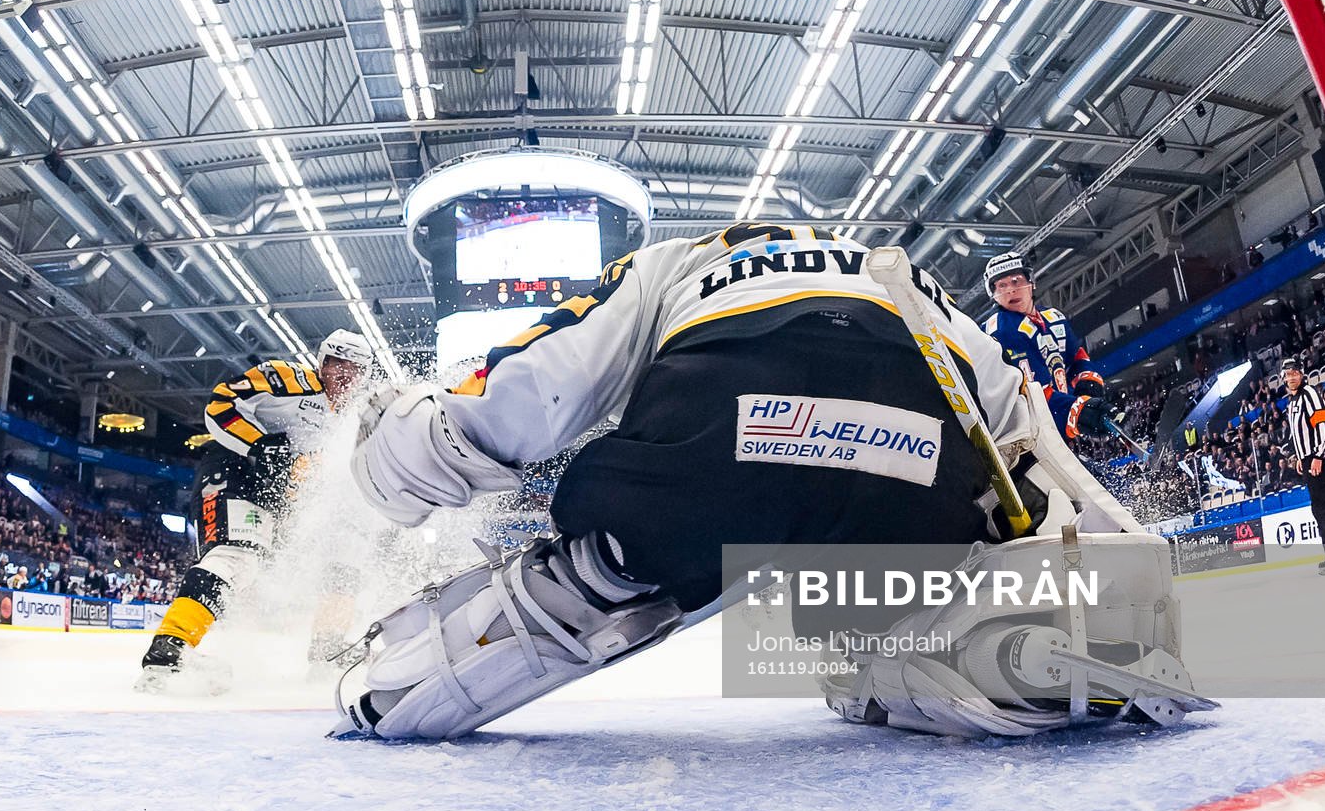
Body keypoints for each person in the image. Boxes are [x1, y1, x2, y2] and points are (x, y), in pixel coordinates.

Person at [341, 224, 1207, 741]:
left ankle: (605, 576)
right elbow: (1021, 432)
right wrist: (1095, 553)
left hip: (716, 450)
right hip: (912, 474)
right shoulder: (903, 275)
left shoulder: (677, 261)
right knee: (861, 618)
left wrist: (401, 459)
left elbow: (539, 386)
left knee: (641, 546)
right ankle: (937, 637)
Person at [136, 329, 377, 687]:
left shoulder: (346, 420)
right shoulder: (290, 378)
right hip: (234, 473)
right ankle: (169, 652)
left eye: (356, 369)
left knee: (343, 554)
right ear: (322, 363)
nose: (346, 376)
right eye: (338, 365)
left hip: (273, 495)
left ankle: (327, 650)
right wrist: (260, 445)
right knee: (236, 558)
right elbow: (220, 404)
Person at [978, 251, 1109, 443]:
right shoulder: (1000, 330)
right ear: (994, 294)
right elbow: (1031, 392)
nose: (1011, 290)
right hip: (1022, 436)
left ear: (1031, 282)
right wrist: (1078, 410)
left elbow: (1075, 356)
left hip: (1054, 425)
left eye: (1016, 281)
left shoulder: (1053, 318)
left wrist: (1086, 378)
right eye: (1001, 286)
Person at [1281, 357, 1325, 574]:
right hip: (1309, 457)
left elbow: (1324, 426)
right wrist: (1300, 458)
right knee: (1319, 506)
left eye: (1295, 372)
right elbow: (1299, 433)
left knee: (1323, 506)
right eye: (1288, 374)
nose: (1292, 376)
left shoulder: (1309, 394)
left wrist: (1317, 456)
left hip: (1321, 456)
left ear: (1301, 374)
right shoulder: (1292, 401)